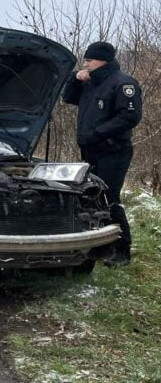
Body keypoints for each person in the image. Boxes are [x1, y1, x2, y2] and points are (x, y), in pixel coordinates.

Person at [61, 40, 142, 265]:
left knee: (108, 198)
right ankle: (99, 245)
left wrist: (97, 133)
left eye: (90, 60)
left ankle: (121, 250)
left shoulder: (123, 83)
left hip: (113, 150)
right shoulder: (91, 83)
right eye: (85, 60)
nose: (86, 64)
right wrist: (75, 78)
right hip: (90, 150)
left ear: (103, 61)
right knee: (89, 197)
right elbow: (68, 98)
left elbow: (130, 117)